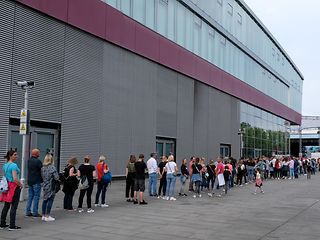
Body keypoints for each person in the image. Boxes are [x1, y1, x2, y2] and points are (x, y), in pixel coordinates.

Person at [0, 150, 23, 230]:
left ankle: (2, 224)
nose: (16, 156)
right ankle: (12, 225)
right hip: (14, 187)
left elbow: (6, 176)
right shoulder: (14, 165)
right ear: (10, 156)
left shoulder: (5, 165)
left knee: (6, 205)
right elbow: (15, 178)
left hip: (7, 186)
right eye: (15, 155)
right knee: (14, 206)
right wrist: (21, 185)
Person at [41, 154, 60, 221]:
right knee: (50, 200)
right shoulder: (52, 167)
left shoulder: (43, 168)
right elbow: (56, 177)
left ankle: (43, 215)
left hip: (45, 185)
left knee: (45, 200)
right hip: (51, 186)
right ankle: (48, 216)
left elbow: (42, 177)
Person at [26, 149, 43, 217]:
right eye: (39, 153)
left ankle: (28, 211)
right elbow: (42, 169)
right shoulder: (38, 161)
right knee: (36, 196)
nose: (39, 154)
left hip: (30, 180)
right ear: (36, 154)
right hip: (36, 181)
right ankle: (35, 212)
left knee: (30, 196)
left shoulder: (29, 160)